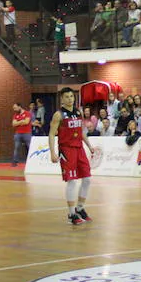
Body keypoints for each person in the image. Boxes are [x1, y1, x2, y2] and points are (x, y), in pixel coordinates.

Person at [48, 87, 97, 225]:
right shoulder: (58, 115)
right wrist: (53, 152)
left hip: (79, 148)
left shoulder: (78, 111)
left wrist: (89, 145)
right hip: (67, 149)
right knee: (72, 181)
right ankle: (71, 213)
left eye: (71, 96)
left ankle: (80, 208)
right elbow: (52, 134)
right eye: (67, 97)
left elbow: (81, 131)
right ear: (62, 99)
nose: (70, 99)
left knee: (87, 179)